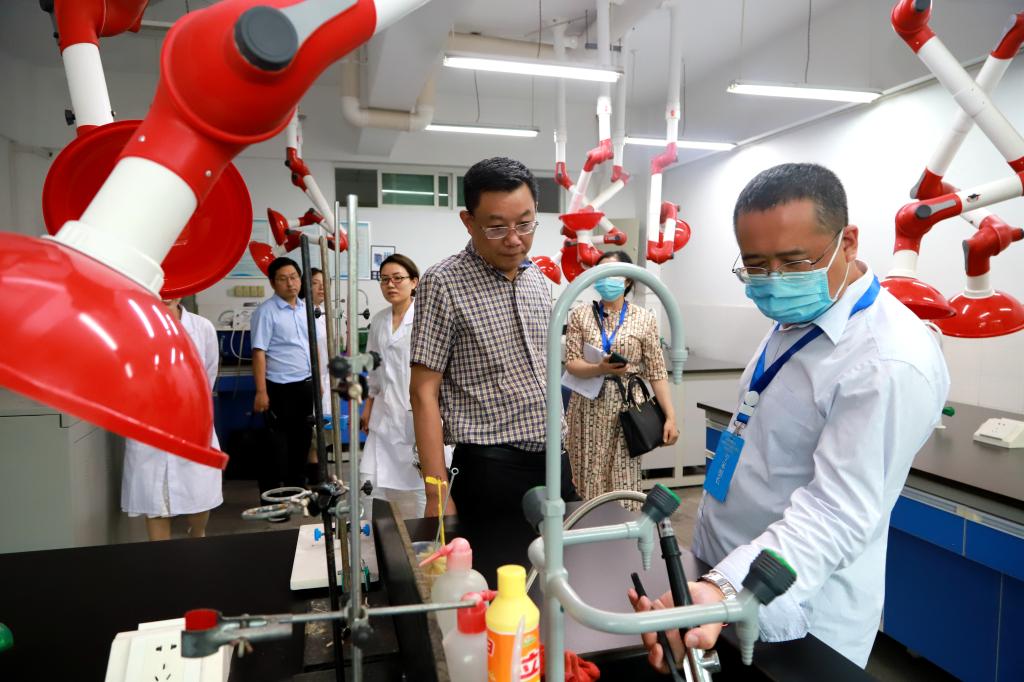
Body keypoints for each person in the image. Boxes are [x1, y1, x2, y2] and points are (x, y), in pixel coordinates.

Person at [628, 163, 950, 669]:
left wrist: (722, 588)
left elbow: (835, 513)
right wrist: (712, 581)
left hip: (797, 611)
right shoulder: (798, 316)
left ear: (848, 242)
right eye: (756, 266)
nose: (774, 281)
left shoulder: (887, 361)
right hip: (722, 576)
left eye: (794, 261)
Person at [410, 156, 579, 521]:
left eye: (525, 224)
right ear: (469, 222)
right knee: (498, 560)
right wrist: (437, 493)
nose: (515, 240)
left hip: (555, 461)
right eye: (497, 228)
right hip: (491, 467)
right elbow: (423, 393)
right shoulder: (443, 282)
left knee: (565, 555)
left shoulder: (536, 279)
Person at [564, 251, 679, 504]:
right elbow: (572, 363)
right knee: (587, 475)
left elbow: (657, 372)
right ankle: (588, 523)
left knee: (623, 475)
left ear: (627, 279)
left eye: (613, 272)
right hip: (587, 407)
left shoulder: (644, 318)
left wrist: (670, 416)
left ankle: (624, 524)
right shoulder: (580, 315)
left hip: (628, 408)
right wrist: (600, 368)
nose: (606, 278)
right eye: (601, 272)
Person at [121, 298, 222, 540]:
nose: (168, 293)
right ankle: (162, 559)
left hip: (192, 420)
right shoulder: (133, 327)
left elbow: (209, 371)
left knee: (199, 494)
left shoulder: (202, 327)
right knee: (155, 500)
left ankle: (197, 534)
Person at [357, 254, 429, 519]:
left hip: (417, 413)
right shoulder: (378, 321)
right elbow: (374, 369)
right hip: (384, 414)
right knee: (369, 482)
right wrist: (368, 406)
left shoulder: (425, 318)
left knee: (423, 485)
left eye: (398, 278)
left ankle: (427, 537)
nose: (391, 285)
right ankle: (371, 535)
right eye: (385, 279)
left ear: (414, 282)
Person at [251, 256, 314, 491]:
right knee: (276, 449)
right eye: (283, 279)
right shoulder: (266, 312)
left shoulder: (306, 309)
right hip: (279, 389)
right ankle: (273, 498)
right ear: (272, 283)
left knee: (302, 444)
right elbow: (259, 353)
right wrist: (261, 392)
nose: (290, 283)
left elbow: (311, 347)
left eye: (294, 277)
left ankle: (296, 494)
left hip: (305, 386)